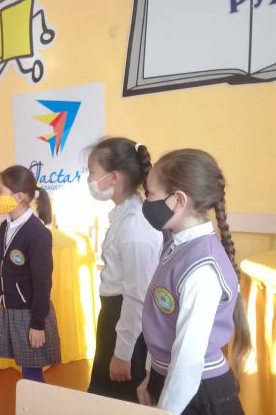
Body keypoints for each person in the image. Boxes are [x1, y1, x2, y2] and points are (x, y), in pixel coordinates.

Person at [138, 149, 251, 415]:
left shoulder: (202, 268)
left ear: (178, 200)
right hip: (169, 380)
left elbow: (187, 360)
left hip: (197, 393)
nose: (146, 201)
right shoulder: (176, 244)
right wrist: (151, 373)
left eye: (150, 194)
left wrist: (164, 410)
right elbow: (161, 321)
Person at [86, 138, 163, 402]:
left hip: (126, 322)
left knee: (118, 400)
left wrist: (122, 353)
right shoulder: (124, 215)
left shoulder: (134, 225)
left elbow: (137, 296)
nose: (89, 179)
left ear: (114, 177)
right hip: (115, 317)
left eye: (92, 172)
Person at [0, 165, 60, 383]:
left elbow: (42, 283)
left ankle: (38, 402)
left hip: (30, 313)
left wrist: (38, 324)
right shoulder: (5, 227)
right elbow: (4, 266)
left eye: (0, 191)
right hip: (11, 307)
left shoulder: (37, 234)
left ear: (19, 197)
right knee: (26, 368)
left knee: (32, 373)